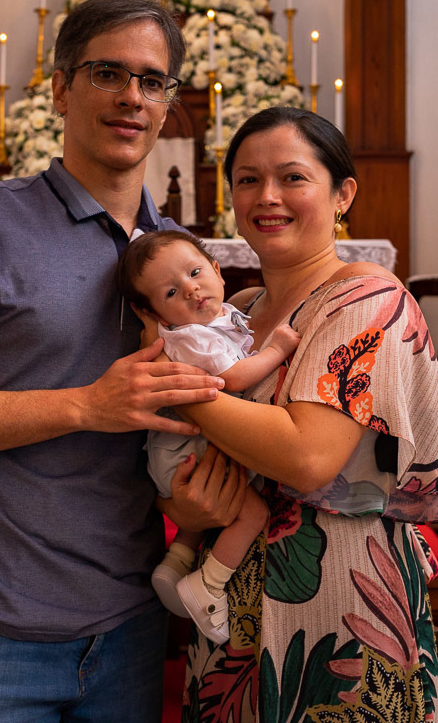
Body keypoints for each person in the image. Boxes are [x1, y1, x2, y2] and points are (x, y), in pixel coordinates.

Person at [0, 0, 246, 723]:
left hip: (128, 620)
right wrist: (84, 405)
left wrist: (189, 510)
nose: (131, 97)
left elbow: (175, 431)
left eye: (152, 80)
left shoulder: (180, 260)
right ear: (60, 88)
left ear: (169, 105)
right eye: (108, 73)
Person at [168, 107, 438, 722]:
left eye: (292, 178)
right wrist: (184, 504)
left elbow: (307, 457)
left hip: (341, 599)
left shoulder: (367, 298)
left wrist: (176, 386)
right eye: (248, 180)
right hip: (229, 602)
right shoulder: (238, 312)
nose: (267, 196)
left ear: (342, 194)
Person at [115, 230, 301, 644]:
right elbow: (232, 377)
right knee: (253, 512)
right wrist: (278, 348)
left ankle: (179, 559)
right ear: (159, 314)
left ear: (218, 271)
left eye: (196, 273)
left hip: (184, 447)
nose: (191, 290)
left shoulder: (215, 322)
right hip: (186, 450)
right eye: (171, 292)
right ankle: (209, 586)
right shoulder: (194, 338)